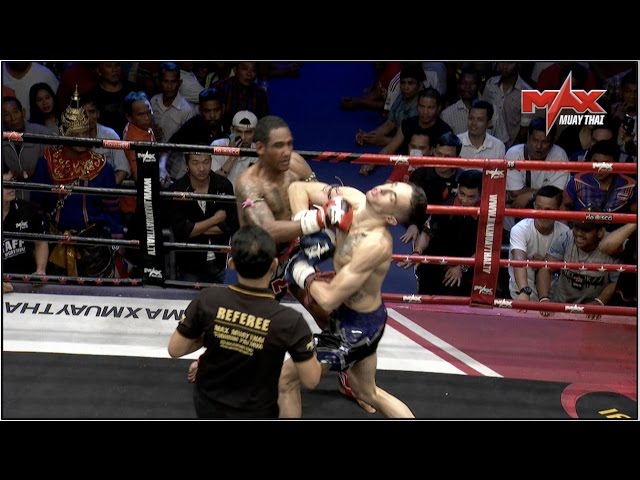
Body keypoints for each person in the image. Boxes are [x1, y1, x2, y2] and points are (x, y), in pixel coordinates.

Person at [278, 179, 427, 418]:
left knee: (286, 380)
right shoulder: (351, 197)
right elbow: (298, 187)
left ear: (390, 218)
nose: (383, 189)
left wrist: (302, 271)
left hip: (356, 329)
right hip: (361, 316)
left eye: (391, 197)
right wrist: (308, 222)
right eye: (392, 185)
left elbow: (327, 299)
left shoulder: (375, 244)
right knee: (367, 392)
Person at [167, 225, 321, 418]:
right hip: (257, 411)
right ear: (274, 265)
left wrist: (221, 333)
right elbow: (311, 379)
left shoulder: (208, 300)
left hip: (209, 405)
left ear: (231, 263)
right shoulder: (290, 321)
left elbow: (175, 349)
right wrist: (317, 347)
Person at [2, 162, 48, 293]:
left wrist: (40, 270)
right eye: (5, 184)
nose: (11, 187)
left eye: (12, 181)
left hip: (27, 285)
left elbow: (40, 242)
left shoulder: (28, 210)